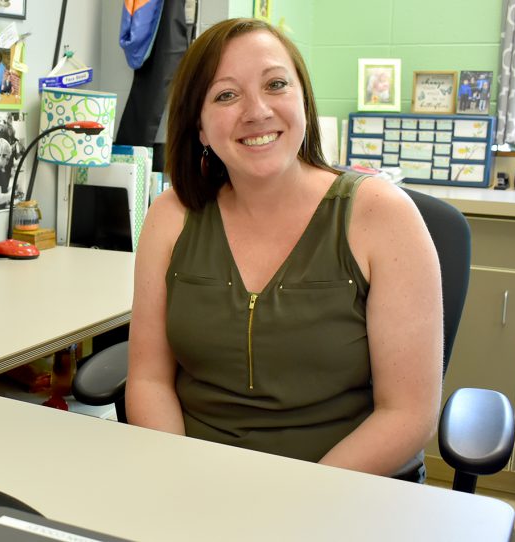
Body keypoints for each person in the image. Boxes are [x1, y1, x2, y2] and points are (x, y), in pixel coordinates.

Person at [126, 18, 443, 482]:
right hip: (199, 484)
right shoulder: (171, 215)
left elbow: (407, 414)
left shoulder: (381, 215)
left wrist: (292, 502)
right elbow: (149, 379)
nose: (256, 111)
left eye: (276, 84)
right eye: (226, 95)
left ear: (304, 102)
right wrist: (181, 480)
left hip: (344, 489)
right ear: (199, 127)